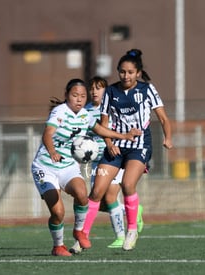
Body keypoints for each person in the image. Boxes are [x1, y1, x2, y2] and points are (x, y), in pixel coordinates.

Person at [31, 78, 141, 256]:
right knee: (58, 212)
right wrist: (51, 151)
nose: (79, 99)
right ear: (66, 95)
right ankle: (58, 246)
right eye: (75, 95)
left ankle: (79, 231)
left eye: (82, 96)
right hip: (45, 167)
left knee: (82, 194)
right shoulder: (59, 112)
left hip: (67, 165)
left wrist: (123, 136)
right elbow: (47, 134)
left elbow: (99, 130)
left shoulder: (85, 114)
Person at [78, 49, 173, 251]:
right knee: (96, 192)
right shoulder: (110, 92)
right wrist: (109, 143)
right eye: (122, 72)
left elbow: (163, 118)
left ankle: (131, 231)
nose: (125, 76)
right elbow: (104, 123)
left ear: (137, 73)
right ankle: (82, 236)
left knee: (128, 185)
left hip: (139, 146)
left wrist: (168, 138)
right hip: (116, 146)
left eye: (130, 72)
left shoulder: (147, 90)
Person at [70, 76, 144, 254]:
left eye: (99, 87)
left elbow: (118, 128)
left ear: (106, 90)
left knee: (110, 197)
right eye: (93, 88)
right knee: (97, 198)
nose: (95, 91)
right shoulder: (85, 111)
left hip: (113, 157)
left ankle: (120, 236)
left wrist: (112, 143)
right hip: (95, 160)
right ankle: (131, 211)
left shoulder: (112, 108)